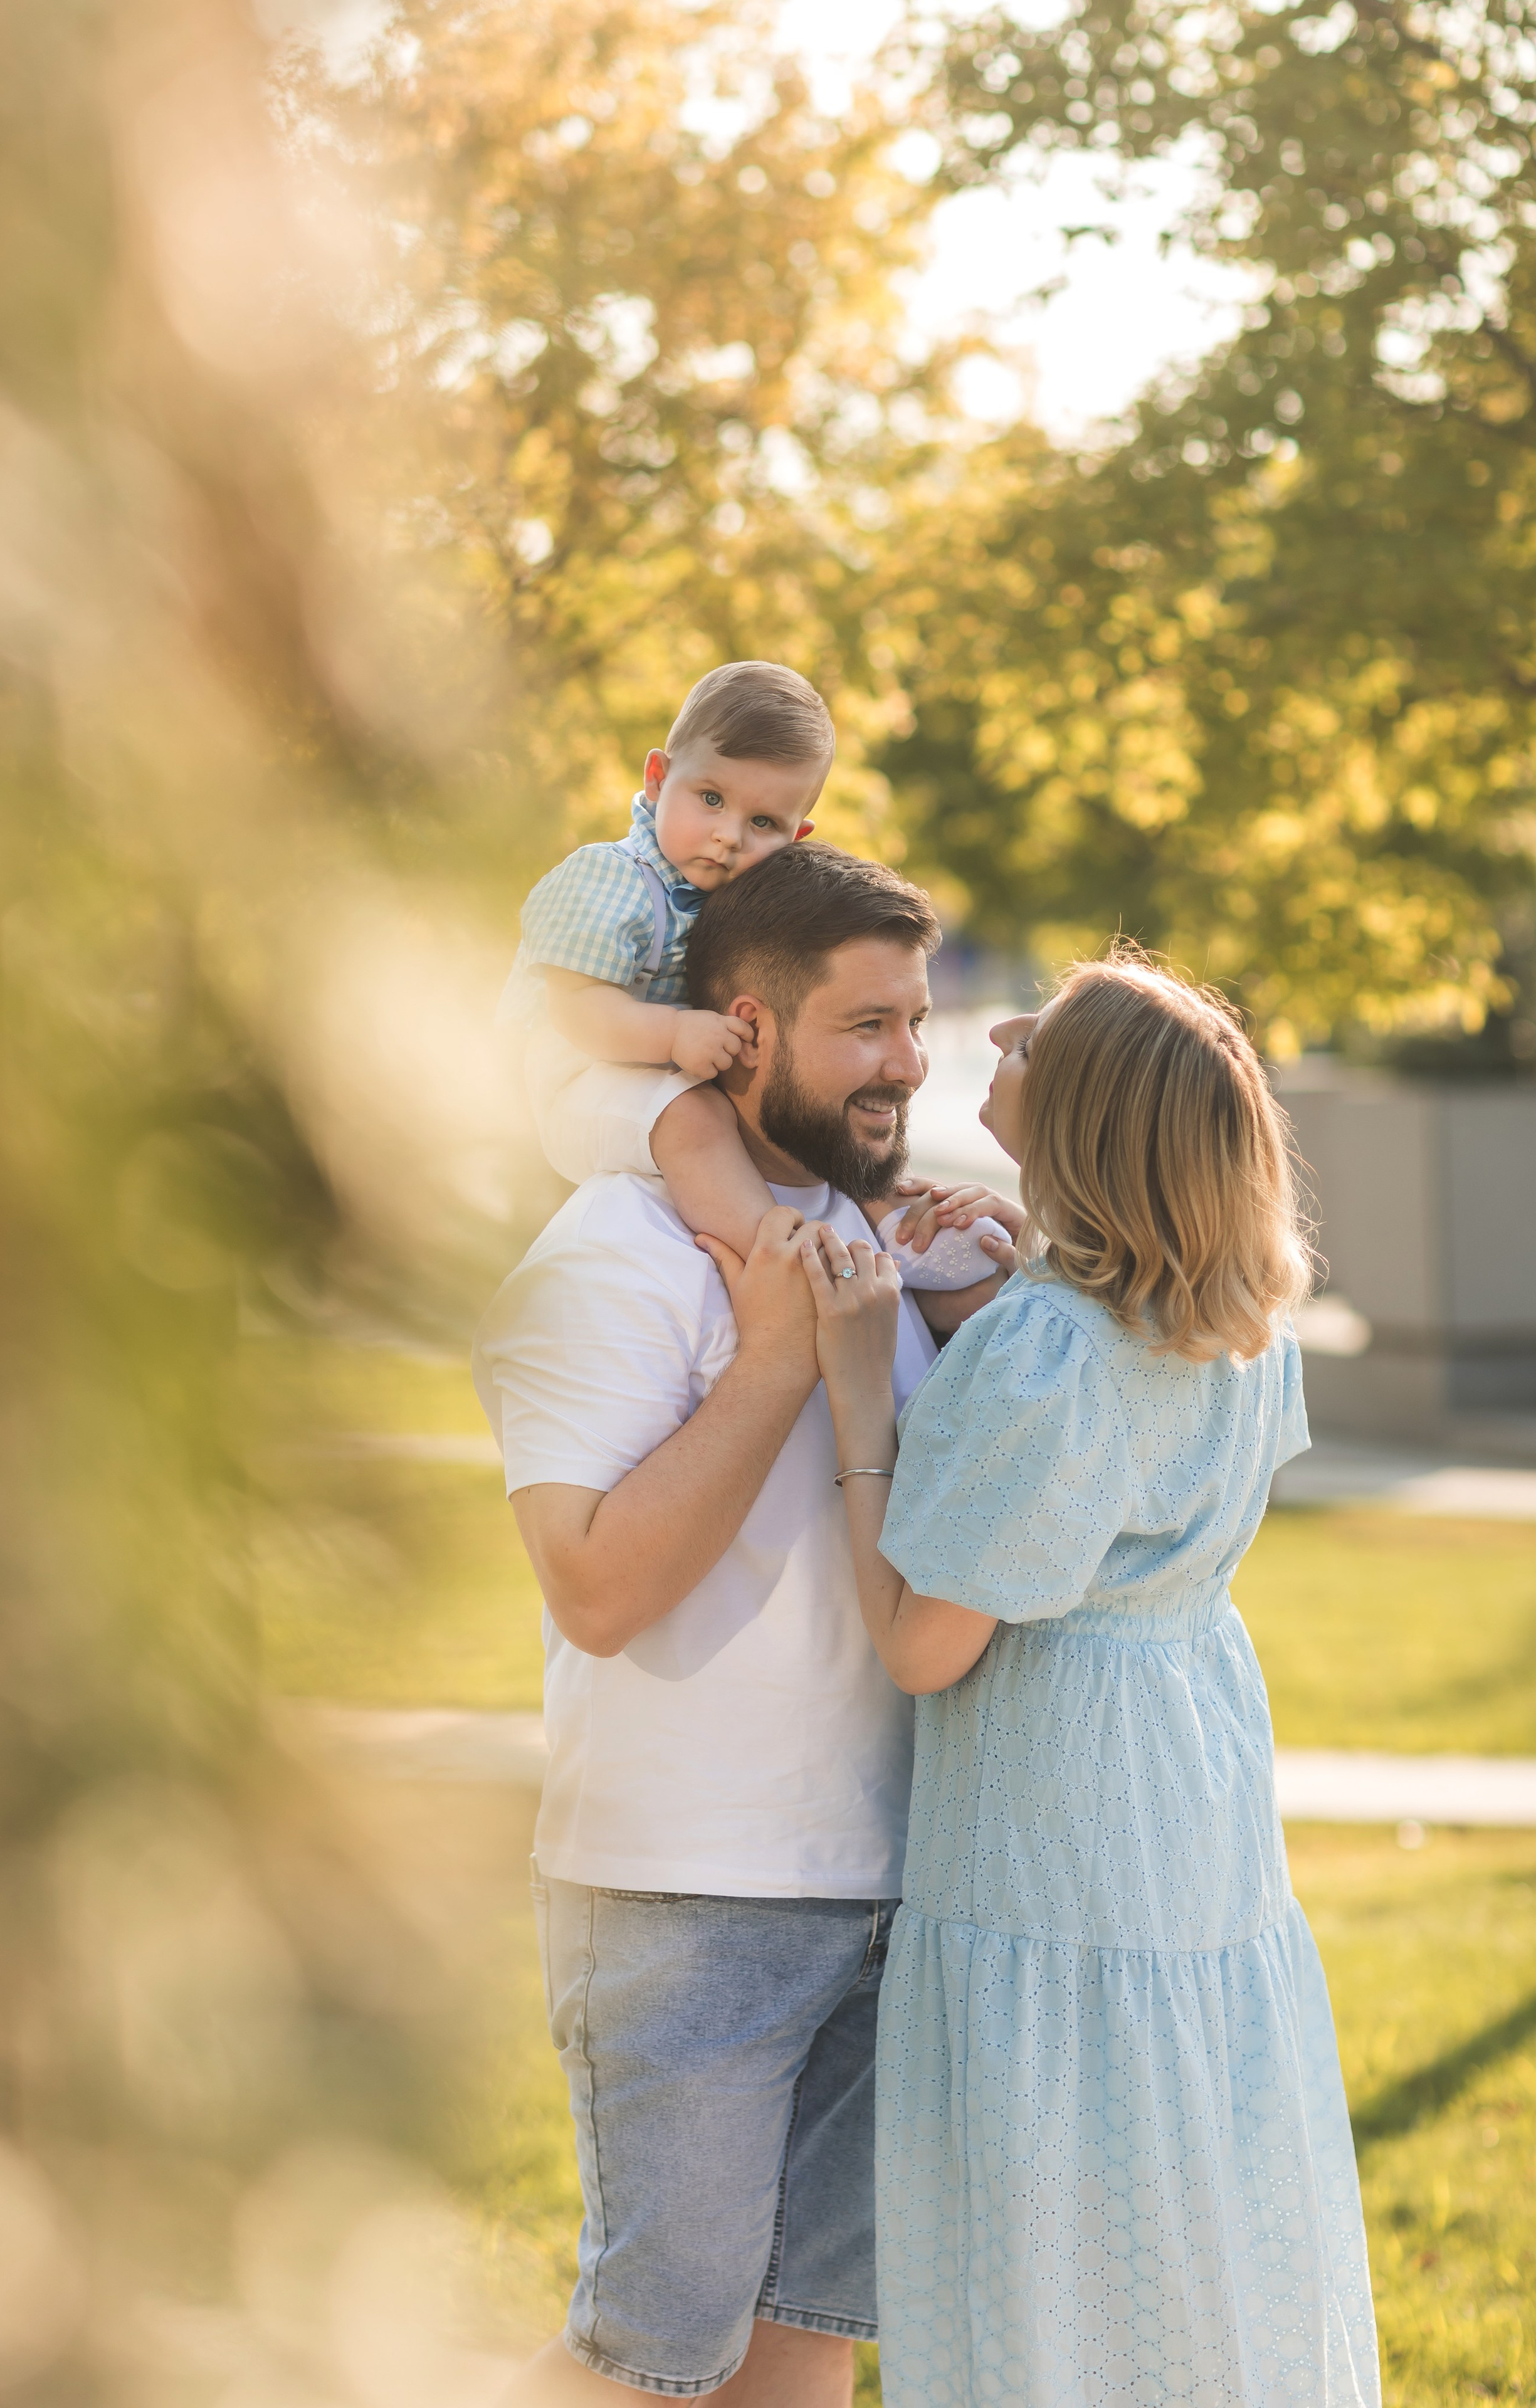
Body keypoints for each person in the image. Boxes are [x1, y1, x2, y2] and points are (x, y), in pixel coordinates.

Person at [473, 843, 1018, 2405]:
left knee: (805, 2344)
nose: (910, 1065)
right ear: (745, 1029)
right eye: (867, 1026)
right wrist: (772, 1354)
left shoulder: (892, 1252)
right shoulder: (606, 1258)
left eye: (916, 1021)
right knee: (652, 2356)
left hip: (899, 1879)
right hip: (684, 1890)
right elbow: (593, 1586)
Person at [798, 951, 1381, 2408]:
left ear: (1082, 1116)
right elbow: (1112, 1464)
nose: (992, 1032)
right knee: (1178, 2180)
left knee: (1047, 2230)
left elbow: (921, 1638)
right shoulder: (1226, 1324)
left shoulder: (1052, 1353)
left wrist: (861, 1384)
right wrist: (1012, 1289)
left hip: (1055, 1829)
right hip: (1186, 1804)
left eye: (1033, 1032)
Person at [497, 657, 1003, 1288]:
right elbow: (573, 1011)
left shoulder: (724, 894)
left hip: (651, 1071)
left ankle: (893, 1223)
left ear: (797, 834)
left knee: (790, 1117)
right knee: (693, 1118)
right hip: (565, 1077)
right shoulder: (611, 879)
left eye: (762, 823)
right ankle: (783, 1264)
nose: (727, 836)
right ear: (657, 778)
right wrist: (677, 1037)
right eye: (710, 798)